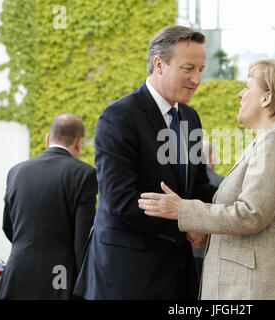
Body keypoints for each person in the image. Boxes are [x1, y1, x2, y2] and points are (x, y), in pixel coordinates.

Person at [140, 59, 275, 299]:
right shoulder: (270, 139)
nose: (240, 94)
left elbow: (251, 214)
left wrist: (182, 210)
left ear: (267, 98)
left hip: (257, 287)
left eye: (248, 87)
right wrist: (204, 227)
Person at [73, 25, 217, 300]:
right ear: (159, 64)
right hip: (127, 275)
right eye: (189, 68)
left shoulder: (190, 118)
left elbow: (199, 186)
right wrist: (188, 224)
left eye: (201, 69)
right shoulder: (118, 117)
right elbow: (121, 200)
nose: (197, 79)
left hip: (178, 273)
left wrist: (240, 200)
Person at [0, 114, 98, 300]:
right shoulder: (85, 175)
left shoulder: (16, 172)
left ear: (48, 138)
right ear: (79, 142)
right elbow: (83, 241)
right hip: (60, 279)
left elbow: (8, 226)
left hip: (17, 273)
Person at [192, 141, 224, 280]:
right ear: (211, 157)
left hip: (190, 248)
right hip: (211, 249)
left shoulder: (188, 181)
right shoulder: (223, 182)